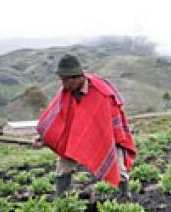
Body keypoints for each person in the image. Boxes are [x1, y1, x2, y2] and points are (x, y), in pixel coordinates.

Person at [35, 54, 136, 200]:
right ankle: (61, 197)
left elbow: (108, 122)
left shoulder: (101, 93)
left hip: (107, 135)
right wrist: (43, 138)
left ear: (76, 78)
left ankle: (125, 197)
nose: (63, 84)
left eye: (65, 80)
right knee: (64, 166)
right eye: (62, 80)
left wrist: (101, 136)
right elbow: (60, 119)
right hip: (78, 135)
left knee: (117, 167)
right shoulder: (67, 92)